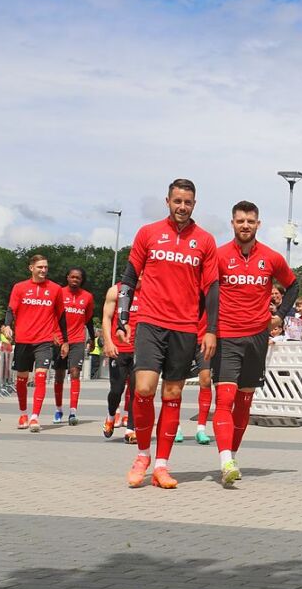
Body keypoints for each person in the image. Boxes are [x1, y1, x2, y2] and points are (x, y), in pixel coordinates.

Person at [117, 179, 218, 489]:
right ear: (168, 200)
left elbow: (212, 289)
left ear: (194, 204)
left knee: (172, 394)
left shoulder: (205, 240)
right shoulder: (148, 233)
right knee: (144, 388)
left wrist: (211, 330)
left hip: (185, 327)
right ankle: (143, 456)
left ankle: (162, 465)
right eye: (177, 201)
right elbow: (129, 278)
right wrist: (123, 318)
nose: (182, 207)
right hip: (149, 322)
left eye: (187, 202)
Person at [211, 200, 298, 487]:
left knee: (244, 402)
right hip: (227, 336)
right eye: (240, 221)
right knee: (224, 399)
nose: (245, 225)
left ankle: (232, 455)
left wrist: (280, 315)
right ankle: (225, 460)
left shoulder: (271, 258)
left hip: (257, 337)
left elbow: (293, 285)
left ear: (258, 224)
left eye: (250, 221)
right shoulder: (220, 256)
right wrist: (207, 330)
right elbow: (206, 295)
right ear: (232, 223)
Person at [1, 254, 68, 433]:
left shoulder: (55, 289)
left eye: (46, 267)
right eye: (40, 267)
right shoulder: (19, 287)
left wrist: (65, 341)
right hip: (23, 339)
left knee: (41, 376)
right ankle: (23, 413)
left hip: (44, 340)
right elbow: (11, 309)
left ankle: (34, 417)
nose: (43, 270)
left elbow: (61, 316)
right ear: (31, 268)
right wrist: (7, 325)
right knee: (21, 379)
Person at [51, 267, 95, 426]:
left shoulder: (87, 297)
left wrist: (92, 339)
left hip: (77, 339)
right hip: (60, 339)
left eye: (78, 278)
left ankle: (73, 412)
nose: (75, 280)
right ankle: (58, 409)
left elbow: (88, 319)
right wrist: (53, 334)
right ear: (67, 277)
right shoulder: (59, 293)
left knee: (75, 372)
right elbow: (51, 314)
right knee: (59, 375)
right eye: (72, 277)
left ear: (82, 280)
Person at [101, 281, 137, 443]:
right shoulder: (115, 290)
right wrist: (108, 342)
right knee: (117, 389)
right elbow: (107, 318)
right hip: (119, 348)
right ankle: (110, 415)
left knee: (138, 391)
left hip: (141, 349)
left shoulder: (153, 288)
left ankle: (131, 429)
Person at [175, 300, 214, 445]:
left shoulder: (208, 287)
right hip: (183, 339)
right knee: (177, 384)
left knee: (206, 380)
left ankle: (201, 429)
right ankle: (176, 427)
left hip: (203, 341)